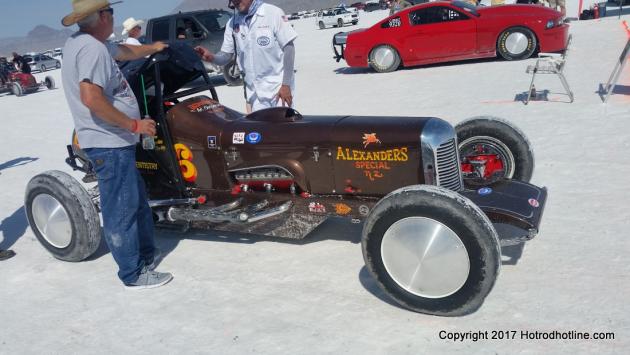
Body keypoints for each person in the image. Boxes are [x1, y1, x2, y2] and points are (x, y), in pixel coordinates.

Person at [61, 0, 172, 289]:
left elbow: (125, 51)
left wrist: (153, 48)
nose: (113, 16)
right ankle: (133, 272)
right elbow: (92, 98)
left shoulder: (84, 42)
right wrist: (134, 125)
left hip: (115, 141)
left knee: (134, 202)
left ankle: (145, 254)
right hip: (108, 142)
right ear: (100, 17)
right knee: (121, 209)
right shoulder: (92, 49)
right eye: (110, 12)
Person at [194, 0, 297, 113]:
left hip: (278, 90)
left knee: (282, 129)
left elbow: (289, 49)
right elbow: (226, 55)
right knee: (260, 130)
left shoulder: (273, 13)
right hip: (254, 95)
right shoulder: (232, 23)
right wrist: (212, 57)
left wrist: (286, 85)